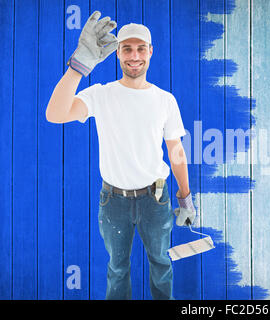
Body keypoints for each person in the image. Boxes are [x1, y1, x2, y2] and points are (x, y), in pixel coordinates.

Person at [45, 11, 196, 300]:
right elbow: (55, 114)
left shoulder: (165, 100)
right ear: (117, 53)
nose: (134, 55)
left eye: (141, 48)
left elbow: (175, 151)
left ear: (150, 52)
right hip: (113, 201)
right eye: (127, 48)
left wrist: (185, 198)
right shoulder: (100, 94)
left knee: (162, 264)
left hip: (157, 199)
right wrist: (79, 66)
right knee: (117, 269)